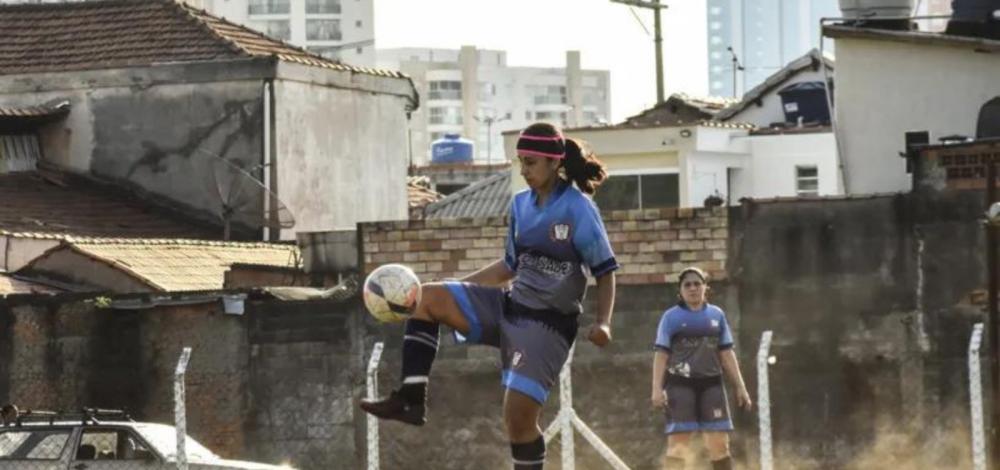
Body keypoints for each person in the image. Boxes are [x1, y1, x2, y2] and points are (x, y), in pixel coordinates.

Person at [361, 122, 618, 469]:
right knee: (427, 297)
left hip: (547, 327)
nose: (524, 170)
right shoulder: (521, 205)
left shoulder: (578, 209)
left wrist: (603, 322)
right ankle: (410, 399)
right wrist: (458, 286)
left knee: (517, 420)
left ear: (555, 162)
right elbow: (509, 266)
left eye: (531, 162)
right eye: (521, 162)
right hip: (509, 306)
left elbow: (605, 271)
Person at [651, 267, 751, 470]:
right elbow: (661, 355)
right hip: (680, 386)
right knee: (678, 447)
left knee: (719, 446)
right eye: (687, 284)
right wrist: (656, 388)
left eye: (697, 283)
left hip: (712, 386)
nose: (693, 288)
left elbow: (726, 353)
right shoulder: (671, 317)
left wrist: (741, 387)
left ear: (706, 288)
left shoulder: (717, 315)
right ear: (680, 291)